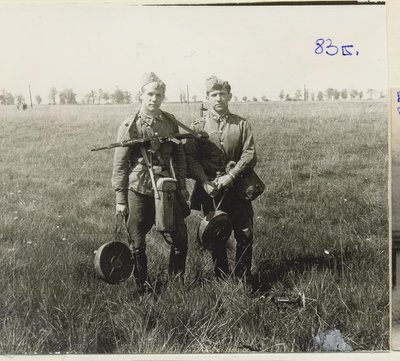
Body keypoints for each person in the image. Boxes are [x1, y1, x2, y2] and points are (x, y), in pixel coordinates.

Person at [112, 72, 189, 294]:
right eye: (150, 94)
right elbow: (120, 164)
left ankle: (176, 284)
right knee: (137, 241)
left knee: (180, 239)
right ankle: (142, 288)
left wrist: (181, 183)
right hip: (139, 188)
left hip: (166, 188)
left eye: (159, 95)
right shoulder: (130, 125)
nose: (154, 99)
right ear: (141, 95)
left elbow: (179, 155)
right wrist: (120, 199)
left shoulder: (170, 122)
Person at [185, 76, 257, 283]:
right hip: (211, 190)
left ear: (229, 96)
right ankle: (221, 278)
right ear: (207, 98)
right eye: (214, 95)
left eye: (222, 94)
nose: (218, 98)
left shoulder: (242, 124)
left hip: (239, 189)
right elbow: (191, 158)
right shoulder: (197, 127)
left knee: (244, 232)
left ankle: (244, 278)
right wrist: (205, 182)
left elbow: (250, 154)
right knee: (216, 233)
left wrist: (231, 176)